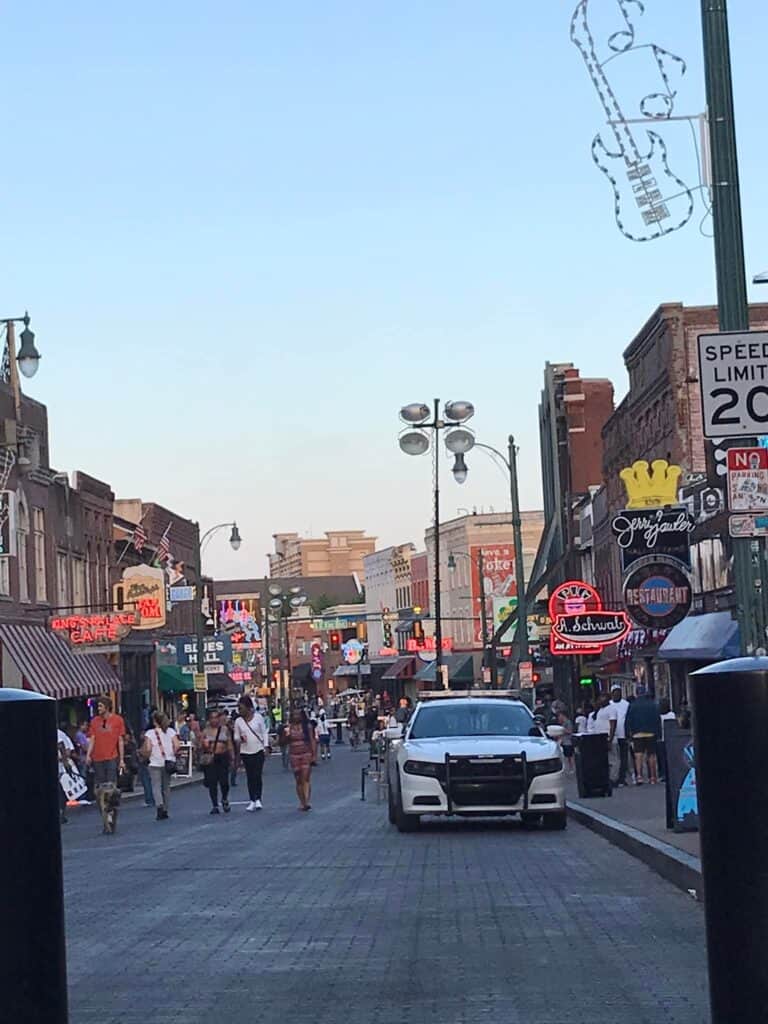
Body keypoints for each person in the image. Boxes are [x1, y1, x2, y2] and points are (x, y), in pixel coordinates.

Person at [233, 696, 271, 811]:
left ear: (248, 708)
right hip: (245, 751)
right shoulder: (238, 721)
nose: (240, 711)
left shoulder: (258, 718)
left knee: (257, 774)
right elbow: (236, 736)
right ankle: (252, 800)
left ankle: (258, 798)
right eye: (239, 708)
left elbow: (264, 732)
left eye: (241, 708)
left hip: (258, 749)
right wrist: (239, 739)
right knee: (250, 776)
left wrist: (266, 746)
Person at [142, 712, 180, 820]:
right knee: (166, 787)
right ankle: (166, 809)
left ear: (155, 721)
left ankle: (159, 806)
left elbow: (148, 748)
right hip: (168, 762)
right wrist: (171, 753)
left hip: (155, 762)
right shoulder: (171, 731)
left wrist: (146, 757)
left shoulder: (150, 733)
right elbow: (177, 745)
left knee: (156, 786)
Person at [85, 696, 126, 789]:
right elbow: (92, 738)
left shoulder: (118, 720)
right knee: (100, 783)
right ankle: (102, 801)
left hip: (112, 756)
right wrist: (88, 755)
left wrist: (122, 760)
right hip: (97, 757)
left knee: (111, 783)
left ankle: (111, 801)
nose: (98, 708)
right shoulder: (94, 721)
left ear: (107, 707)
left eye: (100, 706)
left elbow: (120, 740)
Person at [200, 708, 234, 814]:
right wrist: (204, 745)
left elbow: (229, 744)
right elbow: (199, 746)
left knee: (224, 782)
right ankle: (215, 805)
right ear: (209, 720)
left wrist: (232, 757)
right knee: (212, 782)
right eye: (212, 718)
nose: (214, 720)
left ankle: (224, 798)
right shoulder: (205, 731)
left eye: (216, 717)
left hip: (223, 757)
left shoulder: (225, 730)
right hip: (211, 758)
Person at [626, 686, 661, 784]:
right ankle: (653, 777)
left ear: (636, 693)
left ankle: (639, 777)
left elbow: (628, 720)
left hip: (637, 734)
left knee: (638, 756)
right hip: (651, 733)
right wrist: (658, 733)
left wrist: (628, 733)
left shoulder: (632, 705)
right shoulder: (653, 704)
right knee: (651, 756)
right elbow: (657, 719)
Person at [286, 709, 317, 811]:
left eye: (298, 715)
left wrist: (314, 755)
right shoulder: (288, 727)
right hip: (294, 755)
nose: (296, 717)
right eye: (294, 714)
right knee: (298, 780)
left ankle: (306, 802)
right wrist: (286, 735)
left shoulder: (307, 726)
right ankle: (302, 801)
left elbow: (312, 740)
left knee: (305, 778)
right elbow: (283, 741)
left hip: (306, 753)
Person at [610, 686, 631, 787]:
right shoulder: (609, 705)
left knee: (624, 758)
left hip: (623, 735)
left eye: (618, 692)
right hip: (612, 736)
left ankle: (622, 778)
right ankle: (614, 777)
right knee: (614, 758)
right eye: (614, 692)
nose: (616, 694)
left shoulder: (626, 704)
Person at [57, 725, 76, 823]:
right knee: (60, 790)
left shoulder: (58, 733)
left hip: (59, 767)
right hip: (60, 767)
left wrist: (64, 761)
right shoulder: (61, 734)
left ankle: (61, 812)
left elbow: (61, 745)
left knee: (59, 791)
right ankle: (61, 812)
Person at [557, 710, 575, 774]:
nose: (559, 717)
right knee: (565, 756)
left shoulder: (568, 722)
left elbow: (570, 731)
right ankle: (566, 768)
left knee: (569, 756)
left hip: (568, 741)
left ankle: (572, 768)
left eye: (560, 716)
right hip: (563, 741)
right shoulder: (562, 723)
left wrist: (563, 730)